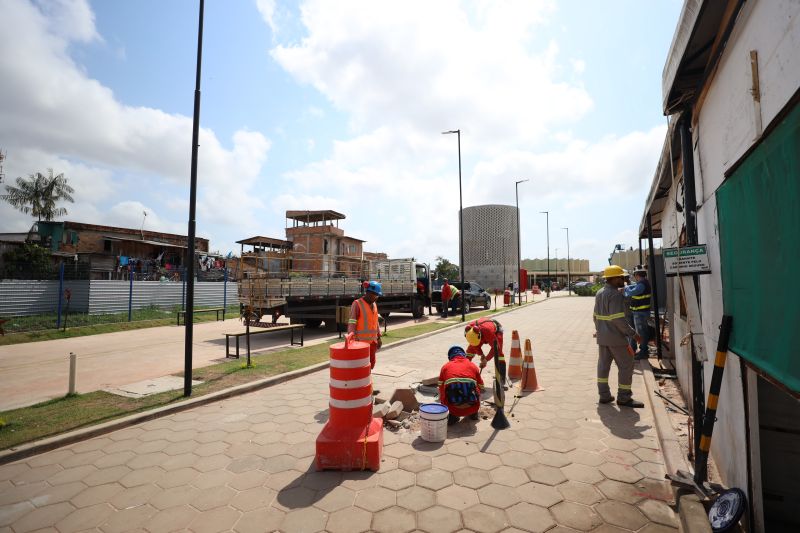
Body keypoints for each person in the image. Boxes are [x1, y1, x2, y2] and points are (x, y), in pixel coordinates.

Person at [594, 265, 644, 408]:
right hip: (616, 338)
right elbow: (618, 320)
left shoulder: (599, 293)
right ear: (614, 279)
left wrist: (599, 331)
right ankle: (624, 397)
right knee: (627, 365)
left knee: (603, 366)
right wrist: (634, 334)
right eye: (622, 277)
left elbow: (595, 316)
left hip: (603, 338)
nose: (624, 280)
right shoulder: (615, 295)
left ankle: (604, 395)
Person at [439, 346, 484, 425]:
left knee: (443, 392)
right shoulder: (473, 366)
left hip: (453, 409)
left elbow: (441, 387)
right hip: (473, 407)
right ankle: (473, 414)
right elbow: (481, 386)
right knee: (477, 388)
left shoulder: (445, 367)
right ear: (464, 355)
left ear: (450, 357)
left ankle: (452, 416)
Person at [348, 280, 383, 369]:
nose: (377, 297)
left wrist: (379, 337)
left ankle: (368, 381)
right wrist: (351, 339)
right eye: (376, 295)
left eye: (378, 295)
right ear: (369, 293)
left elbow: (376, 322)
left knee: (371, 364)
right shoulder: (357, 304)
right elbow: (352, 322)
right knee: (361, 366)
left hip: (372, 343)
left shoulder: (374, 304)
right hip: (360, 343)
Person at [625, 266, 652, 360]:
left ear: (636, 275)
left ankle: (643, 352)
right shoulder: (642, 283)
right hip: (638, 312)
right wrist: (627, 287)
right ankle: (638, 350)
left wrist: (626, 289)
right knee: (638, 332)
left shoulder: (642, 284)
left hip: (640, 313)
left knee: (641, 333)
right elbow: (633, 287)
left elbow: (632, 292)